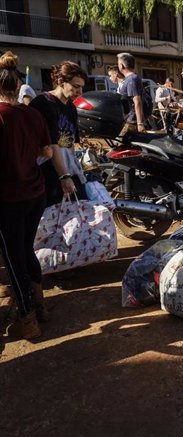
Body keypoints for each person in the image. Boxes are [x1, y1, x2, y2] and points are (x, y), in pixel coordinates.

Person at [0, 51, 54, 339]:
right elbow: (47, 151)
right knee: (25, 249)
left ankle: (28, 318)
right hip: (36, 193)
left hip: (9, 199)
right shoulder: (33, 113)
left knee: (14, 258)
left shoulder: (1, 115)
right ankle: (40, 306)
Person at [30, 60, 88, 207]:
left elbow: (69, 145)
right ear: (61, 81)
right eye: (76, 87)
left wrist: (73, 171)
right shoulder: (44, 103)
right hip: (44, 172)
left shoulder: (71, 108)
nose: (80, 92)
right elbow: (52, 145)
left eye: (81, 88)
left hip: (64, 168)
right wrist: (64, 176)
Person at [116, 53, 146, 133]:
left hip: (132, 120)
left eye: (118, 64)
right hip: (130, 119)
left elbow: (137, 102)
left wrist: (139, 123)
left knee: (120, 142)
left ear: (122, 66)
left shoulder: (132, 79)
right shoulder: (130, 78)